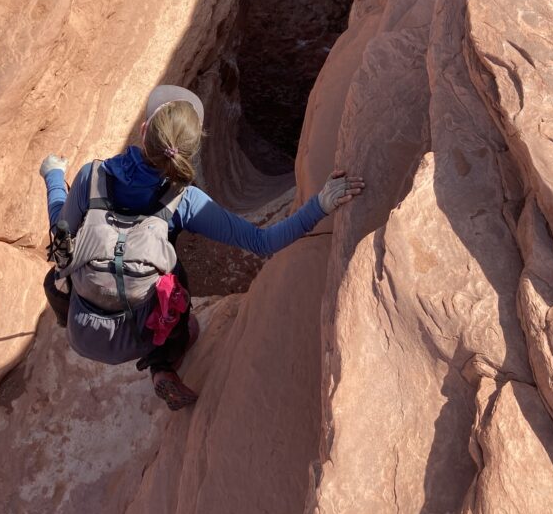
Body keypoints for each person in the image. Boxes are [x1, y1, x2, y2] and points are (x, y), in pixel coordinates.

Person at [40, 84, 364, 410]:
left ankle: (78, 318)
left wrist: (54, 176)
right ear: (190, 153)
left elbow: (60, 234)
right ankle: (163, 362)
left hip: (82, 332)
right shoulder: (185, 201)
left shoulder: (92, 177)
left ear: (144, 130)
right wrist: (321, 204)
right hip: (138, 336)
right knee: (174, 283)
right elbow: (263, 242)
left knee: (73, 258)